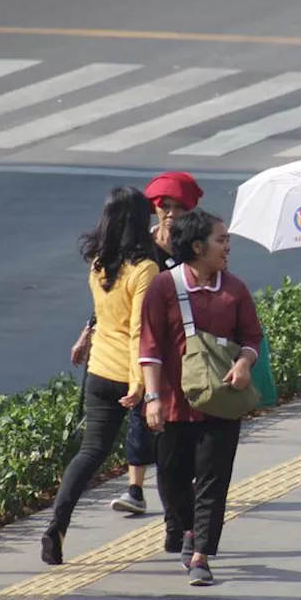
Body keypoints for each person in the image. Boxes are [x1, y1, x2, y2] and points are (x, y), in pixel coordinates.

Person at [139, 209, 263, 586]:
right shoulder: (163, 287)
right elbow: (150, 346)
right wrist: (153, 397)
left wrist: (244, 363)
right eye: (220, 240)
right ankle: (187, 528)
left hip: (223, 402)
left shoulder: (235, 289)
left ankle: (201, 555)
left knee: (213, 479)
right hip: (176, 404)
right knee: (172, 480)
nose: (228, 247)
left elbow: (252, 338)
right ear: (197, 246)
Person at [69, 172, 203, 515]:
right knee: (141, 418)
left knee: (170, 423)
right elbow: (114, 297)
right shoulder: (141, 248)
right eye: (164, 206)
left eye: (178, 207)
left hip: (179, 342)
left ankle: (180, 492)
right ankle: (135, 489)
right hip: (144, 348)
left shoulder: (194, 246)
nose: (170, 213)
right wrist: (88, 332)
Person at [42, 186, 160, 565]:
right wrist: (141, 384)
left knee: (90, 453)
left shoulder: (98, 264)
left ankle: (57, 524)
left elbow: (105, 319)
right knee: (172, 450)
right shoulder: (145, 269)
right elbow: (140, 329)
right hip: (133, 375)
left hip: (99, 373)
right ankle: (184, 534)